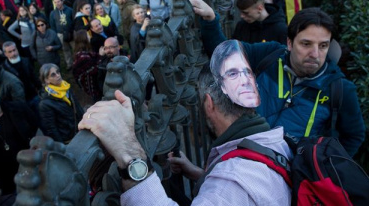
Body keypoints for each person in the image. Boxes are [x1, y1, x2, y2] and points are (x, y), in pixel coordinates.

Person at [78, 56, 291, 205]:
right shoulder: (275, 141)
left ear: (209, 103)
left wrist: (129, 151)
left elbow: (235, 192)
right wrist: (202, 175)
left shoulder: (233, 181)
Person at [192, 0, 365, 156]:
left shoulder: (339, 89)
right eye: (306, 44)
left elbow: (354, 136)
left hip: (292, 180)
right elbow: (226, 56)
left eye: (323, 46)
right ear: (289, 43)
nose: (315, 54)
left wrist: (324, 169)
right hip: (246, 158)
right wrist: (210, 20)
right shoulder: (271, 55)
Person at [38, 63, 83, 143]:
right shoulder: (45, 104)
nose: (58, 75)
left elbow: (78, 108)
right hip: (67, 139)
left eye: (58, 72)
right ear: (46, 80)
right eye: (53, 75)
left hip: (80, 131)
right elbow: (51, 129)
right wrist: (61, 146)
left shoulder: (66, 88)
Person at [1, 42, 41, 110]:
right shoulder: (4, 68)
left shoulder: (26, 61)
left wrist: (40, 88)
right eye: (10, 52)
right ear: (5, 54)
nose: (13, 53)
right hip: (18, 99)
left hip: (32, 95)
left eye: (14, 50)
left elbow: (33, 77)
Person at [72, 30, 102, 102]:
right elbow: (94, 69)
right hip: (91, 89)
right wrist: (101, 56)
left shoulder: (84, 53)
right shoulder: (83, 57)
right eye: (88, 35)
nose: (89, 36)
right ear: (84, 38)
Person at [49, 0, 74, 70]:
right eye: (55, 2)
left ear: (62, 1)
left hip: (70, 32)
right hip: (61, 34)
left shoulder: (69, 10)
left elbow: (73, 21)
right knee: (65, 50)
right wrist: (56, 34)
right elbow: (52, 25)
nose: (57, 3)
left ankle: (77, 61)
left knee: (75, 48)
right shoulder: (53, 13)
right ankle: (69, 64)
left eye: (58, 1)